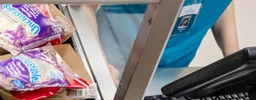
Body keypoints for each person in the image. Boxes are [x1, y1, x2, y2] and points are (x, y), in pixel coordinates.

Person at [85, 1, 239, 79]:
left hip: (173, 73)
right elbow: (85, 5)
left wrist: (232, 51)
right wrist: (99, 64)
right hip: (116, 69)